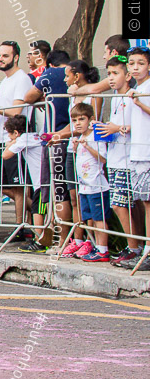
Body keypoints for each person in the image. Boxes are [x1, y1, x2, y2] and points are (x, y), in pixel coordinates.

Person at [21, 47, 72, 253]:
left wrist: (42, 99)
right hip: (68, 136)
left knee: (50, 191)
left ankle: (54, 239)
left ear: (49, 64)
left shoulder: (51, 73)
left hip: (54, 138)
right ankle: (62, 239)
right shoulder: (72, 76)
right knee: (63, 191)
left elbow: (28, 97)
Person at [95, 56, 142, 267]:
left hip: (127, 160)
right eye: (109, 74)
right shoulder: (115, 98)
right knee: (119, 205)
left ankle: (135, 247)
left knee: (120, 205)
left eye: (115, 74)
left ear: (128, 75)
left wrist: (117, 129)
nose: (111, 78)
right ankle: (133, 245)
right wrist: (106, 129)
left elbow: (135, 126)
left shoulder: (133, 98)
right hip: (114, 157)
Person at [0, 41, 32, 235]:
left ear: (16, 57)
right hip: (2, 137)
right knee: (5, 188)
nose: (0, 59)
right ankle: (33, 214)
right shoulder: (5, 81)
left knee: (17, 186)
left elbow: (16, 110)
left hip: (16, 139)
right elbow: (1, 112)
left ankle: (21, 226)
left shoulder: (21, 79)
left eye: (5, 56)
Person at [67, 103, 111, 262]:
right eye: (74, 120)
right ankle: (93, 245)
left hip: (97, 186)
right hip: (84, 186)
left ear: (91, 119)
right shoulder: (80, 137)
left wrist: (87, 146)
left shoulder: (94, 136)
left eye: (81, 119)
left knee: (100, 219)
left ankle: (103, 250)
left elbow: (103, 158)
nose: (78, 123)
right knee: (89, 218)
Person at [124, 46, 150, 270]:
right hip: (137, 153)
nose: (135, 67)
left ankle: (148, 251)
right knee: (142, 203)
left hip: (147, 153)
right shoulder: (136, 88)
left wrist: (140, 102)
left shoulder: (145, 89)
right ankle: (143, 249)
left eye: (140, 63)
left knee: (149, 205)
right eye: (132, 63)